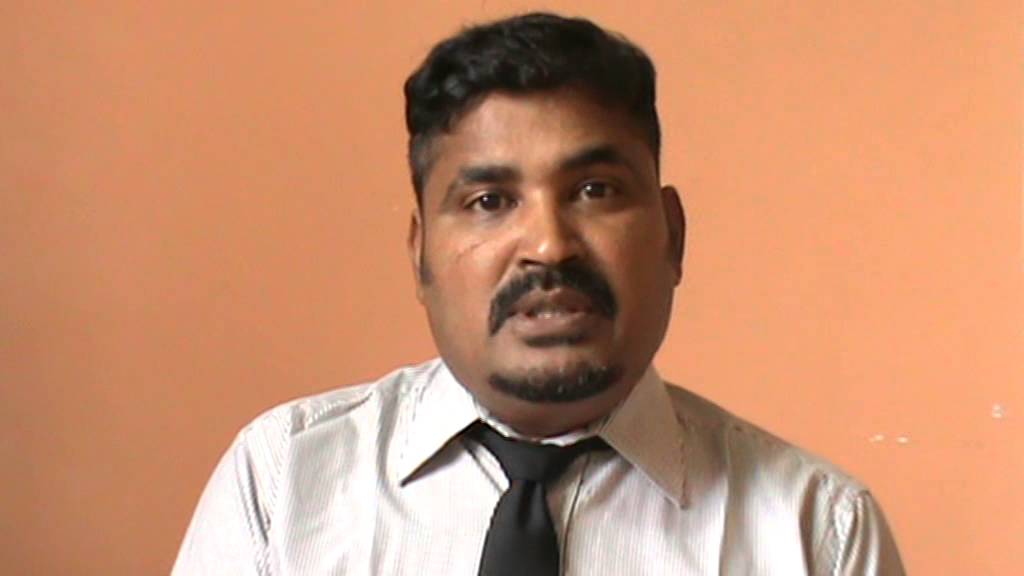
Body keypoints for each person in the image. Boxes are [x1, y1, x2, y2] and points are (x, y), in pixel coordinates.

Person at [172, 12, 905, 576]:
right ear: (420, 255)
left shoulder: (817, 532)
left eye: (595, 190)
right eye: (489, 201)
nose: (550, 246)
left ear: (672, 236)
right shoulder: (285, 482)